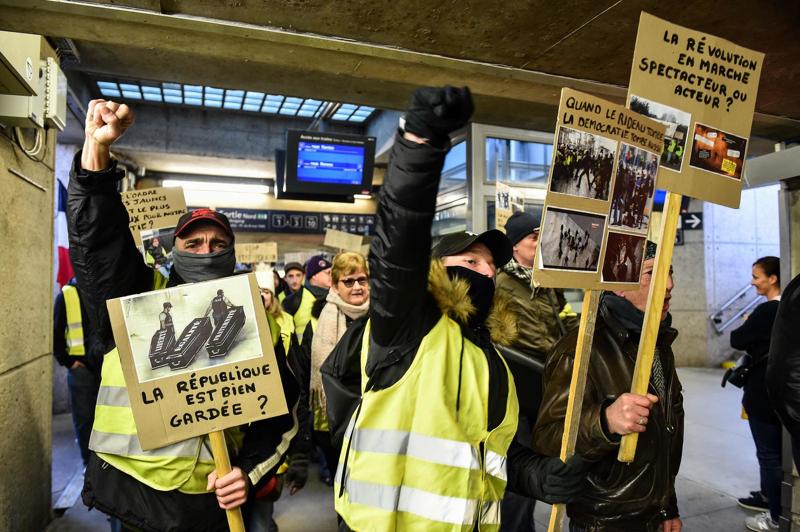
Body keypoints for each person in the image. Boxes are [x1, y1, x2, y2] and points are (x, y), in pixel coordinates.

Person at [327, 86, 587, 531]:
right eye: (469, 261)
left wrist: (537, 475)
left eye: (490, 265)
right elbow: (399, 240)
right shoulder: (408, 326)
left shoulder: (492, 358)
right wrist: (420, 147)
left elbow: (490, 453)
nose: (484, 272)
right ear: (434, 270)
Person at [70, 99, 302, 531]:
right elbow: (100, 242)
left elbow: (282, 415)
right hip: (132, 489)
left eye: (218, 245)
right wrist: (95, 158)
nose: (206, 252)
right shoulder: (139, 293)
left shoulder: (252, 316)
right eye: (193, 244)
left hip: (209, 498)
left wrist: (247, 475)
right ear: (173, 250)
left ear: (232, 253)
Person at [533, 242, 684, 532]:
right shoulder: (579, 350)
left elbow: (667, 433)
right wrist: (604, 421)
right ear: (618, 283)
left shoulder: (658, 342)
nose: (669, 285)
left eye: (670, 271)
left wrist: (668, 507)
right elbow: (548, 439)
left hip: (654, 515)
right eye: (653, 273)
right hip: (603, 521)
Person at [496, 210, 577, 532]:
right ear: (516, 245)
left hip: (546, 383)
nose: (539, 242)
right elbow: (522, 338)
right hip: (522, 388)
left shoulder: (543, 282)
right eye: (532, 237)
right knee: (519, 467)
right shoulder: (505, 283)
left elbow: (560, 320)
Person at [297, 252, 370, 488]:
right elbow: (305, 378)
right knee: (342, 486)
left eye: (362, 280)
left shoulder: (383, 318)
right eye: (348, 281)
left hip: (374, 420)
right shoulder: (318, 322)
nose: (357, 287)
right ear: (335, 285)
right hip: (332, 423)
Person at [730, 257, 782, 532]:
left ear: (773, 278)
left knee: (769, 454)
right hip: (786, 393)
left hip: (762, 392)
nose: (752, 282)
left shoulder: (766, 312)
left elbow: (736, 339)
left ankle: (774, 515)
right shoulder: (791, 309)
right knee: (779, 453)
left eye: (757, 276)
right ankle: (770, 498)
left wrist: (748, 322)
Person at [53, 278, 102, 466]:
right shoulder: (67, 294)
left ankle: (102, 470)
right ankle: (88, 466)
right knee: (85, 421)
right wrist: (68, 361)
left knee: (105, 421)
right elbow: (56, 334)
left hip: (104, 366)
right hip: (81, 368)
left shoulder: (103, 289)